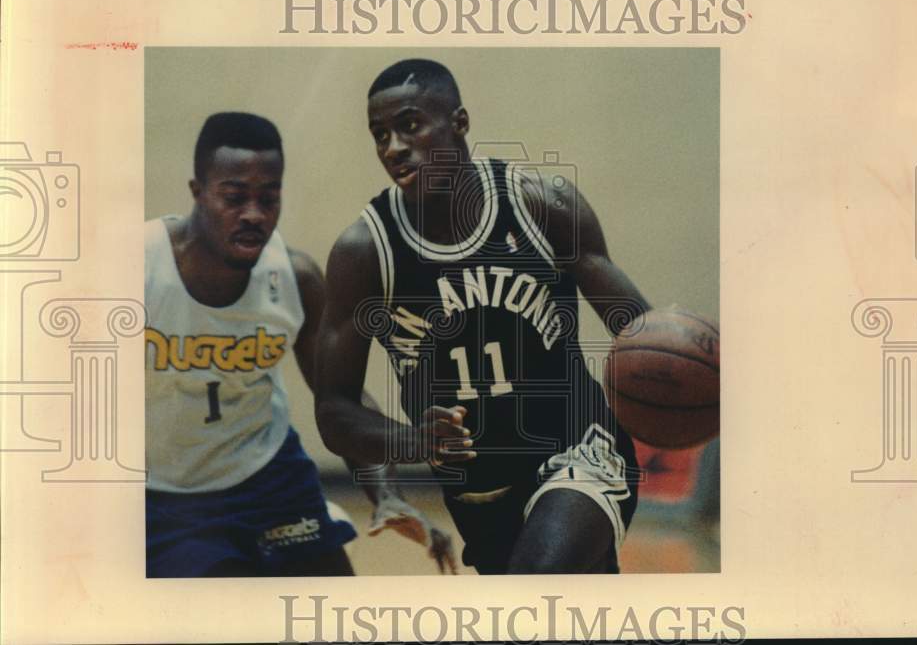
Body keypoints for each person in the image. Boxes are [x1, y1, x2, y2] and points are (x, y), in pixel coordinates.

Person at [314, 60, 651, 574]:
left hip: (580, 450)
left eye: (410, 125)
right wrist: (413, 441)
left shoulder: (542, 206)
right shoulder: (365, 251)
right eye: (380, 134)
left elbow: (640, 335)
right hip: (479, 496)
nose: (393, 147)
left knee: (535, 584)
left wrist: (679, 379)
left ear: (460, 122)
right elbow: (334, 409)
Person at [145, 111, 455, 577]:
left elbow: (341, 402)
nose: (254, 214)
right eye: (234, 197)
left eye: (268, 198)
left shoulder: (296, 278)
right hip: (165, 492)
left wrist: (388, 495)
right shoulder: (133, 268)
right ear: (197, 192)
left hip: (268, 477)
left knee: (329, 601)